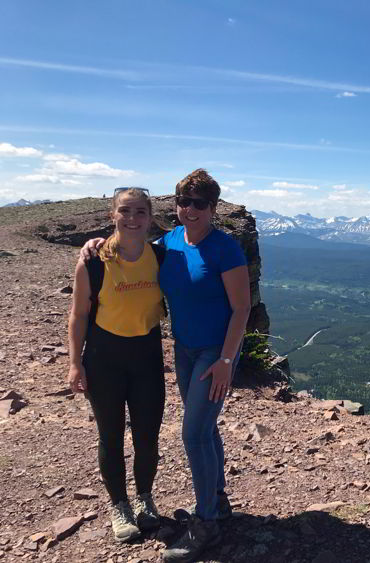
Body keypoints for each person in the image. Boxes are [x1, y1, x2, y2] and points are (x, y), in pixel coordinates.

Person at [81, 170, 251, 563]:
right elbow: (131, 244)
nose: (190, 210)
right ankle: (218, 500)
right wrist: (95, 244)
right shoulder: (169, 243)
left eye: (200, 204)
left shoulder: (225, 248)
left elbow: (242, 307)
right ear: (176, 205)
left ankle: (205, 522)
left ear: (212, 208)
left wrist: (227, 360)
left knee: (193, 434)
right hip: (186, 350)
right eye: (183, 202)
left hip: (215, 352)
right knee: (204, 428)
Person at [68, 187, 166, 543]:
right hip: (104, 358)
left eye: (141, 211)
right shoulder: (93, 261)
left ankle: (145, 499)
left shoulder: (161, 255)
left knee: (147, 436)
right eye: (125, 211)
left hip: (147, 356)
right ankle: (119, 505)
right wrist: (74, 363)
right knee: (110, 436)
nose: (133, 218)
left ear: (150, 216)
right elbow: (78, 315)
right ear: (113, 215)